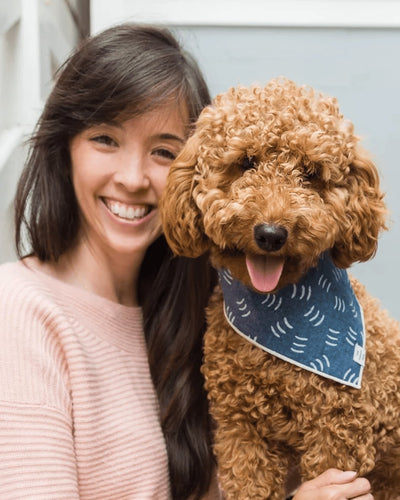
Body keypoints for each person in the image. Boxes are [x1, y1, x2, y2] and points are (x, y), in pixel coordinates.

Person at [0, 23, 373, 500]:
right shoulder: (21, 310)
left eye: (162, 152)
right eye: (105, 140)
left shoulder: (213, 309)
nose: (133, 178)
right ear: (65, 148)